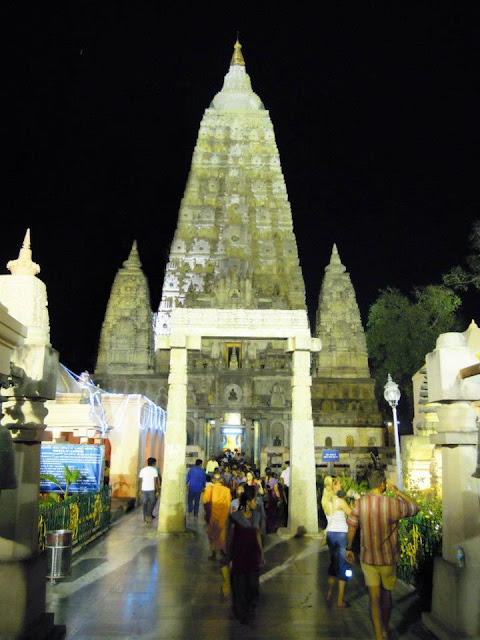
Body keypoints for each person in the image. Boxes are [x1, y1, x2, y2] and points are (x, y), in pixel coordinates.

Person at [346, 469, 420, 640]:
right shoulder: (392, 504)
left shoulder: (360, 504)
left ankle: (378, 633)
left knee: (373, 595)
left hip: (368, 557)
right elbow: (415, 507)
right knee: (386, 594)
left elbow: (352, 527)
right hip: (387, 557)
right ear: (382, 484)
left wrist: (349, 548)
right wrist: (398, 492)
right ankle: (385, 628)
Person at [226, 485, 265, 624]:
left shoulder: (257, 515)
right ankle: (241, 611)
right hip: (239, 554)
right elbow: (230, 537)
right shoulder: (235, 517)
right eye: (254, 500)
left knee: (253, 585)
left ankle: (250, 608)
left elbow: (258, 533)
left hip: (253, 554)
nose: (256, 503)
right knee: (240, 585)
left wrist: (262, 552)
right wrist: (228, 556)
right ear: (248, 502)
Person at [321, 476, 352, 608]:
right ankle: (340, 600)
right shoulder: (340, 502)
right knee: (344, 566)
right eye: (339, 483)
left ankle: (329, 593)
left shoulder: (325, 501)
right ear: (333, 486)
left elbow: (336, 507)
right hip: (342, 535)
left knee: (334, 564)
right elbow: (352, 514)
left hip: (331, 535)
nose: (341, 485)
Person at [203, 473, 232, 560]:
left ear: (212, 480)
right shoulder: (226, 490)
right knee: (222, 535)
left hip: (212, 516)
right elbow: (228, 504)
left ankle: (214, 553)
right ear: (221, 480)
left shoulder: (209, 489)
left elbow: (205, 501)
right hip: (223, 516)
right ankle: (223, 552)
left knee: (212, 534)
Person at [138, 457, 160, 523]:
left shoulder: (143, 470)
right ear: (153, 463)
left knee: (144, 503)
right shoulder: (154, 470)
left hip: (144, 489)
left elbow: (140, 481)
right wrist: (158, 490)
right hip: (151, 489)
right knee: (152, 502)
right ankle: (148, 514)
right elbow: (156, 481)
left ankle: (146, 517)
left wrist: (139, 490)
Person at [263, 467, 281, 534]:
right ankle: (272, 528)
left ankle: (267, 527)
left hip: (266, 498)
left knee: (267, 513)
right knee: (273, 513)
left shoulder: (265, 479)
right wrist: (279, 498)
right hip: (272, 498)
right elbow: (276, 490)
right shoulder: (274, 480)